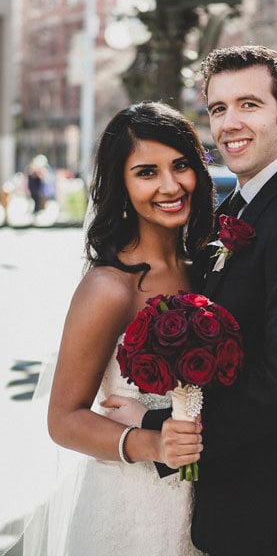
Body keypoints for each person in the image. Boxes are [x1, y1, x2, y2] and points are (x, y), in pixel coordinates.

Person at [113, 46, 277, 556]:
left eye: (249, 104)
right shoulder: (240, 207)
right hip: (235, 498)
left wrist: (155, 425)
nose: (230, 123)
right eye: (218, 108)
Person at [25, 101, 213, 556]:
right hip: (130, 509)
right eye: (147, 172)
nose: (170, 186)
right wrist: (153, 441)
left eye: (181, 166)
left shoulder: (207, 269)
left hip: (210, 507)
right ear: (121, 185)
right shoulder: (109, 288)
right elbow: (64, 420)